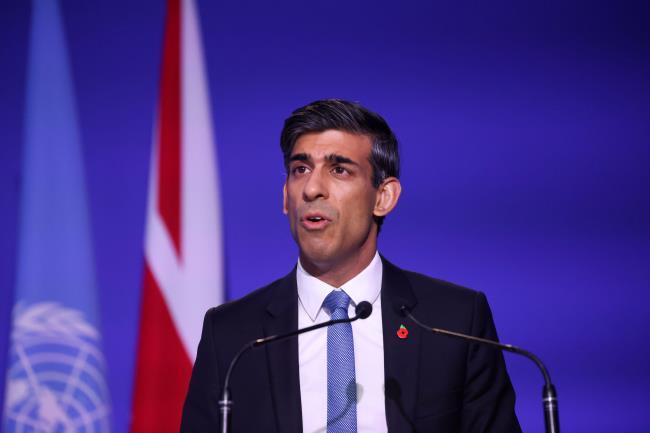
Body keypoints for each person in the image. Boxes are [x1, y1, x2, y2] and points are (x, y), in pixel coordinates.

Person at [180, 99, 522, 433]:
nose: (312, 188)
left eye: (339, 169)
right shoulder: (231, 335)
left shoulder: (454, 321)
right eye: (300, 169)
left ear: (383, 197)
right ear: (285, 196)